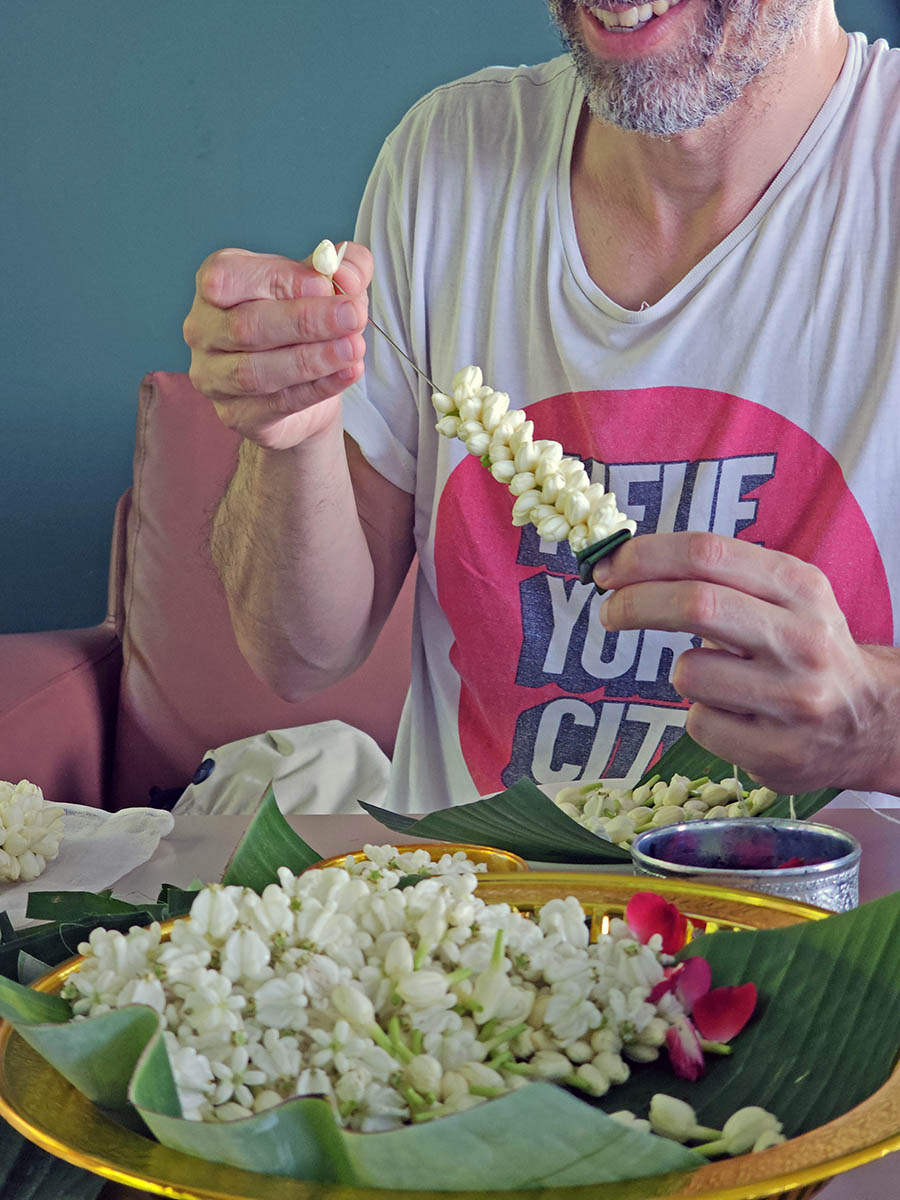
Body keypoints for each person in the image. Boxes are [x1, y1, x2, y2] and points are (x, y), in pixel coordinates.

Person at [183, 0, 900, 814]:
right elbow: (298, 657)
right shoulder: (445, 159)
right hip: (474, 922)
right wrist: (289, 437)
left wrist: (875, 719)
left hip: (809, 931)